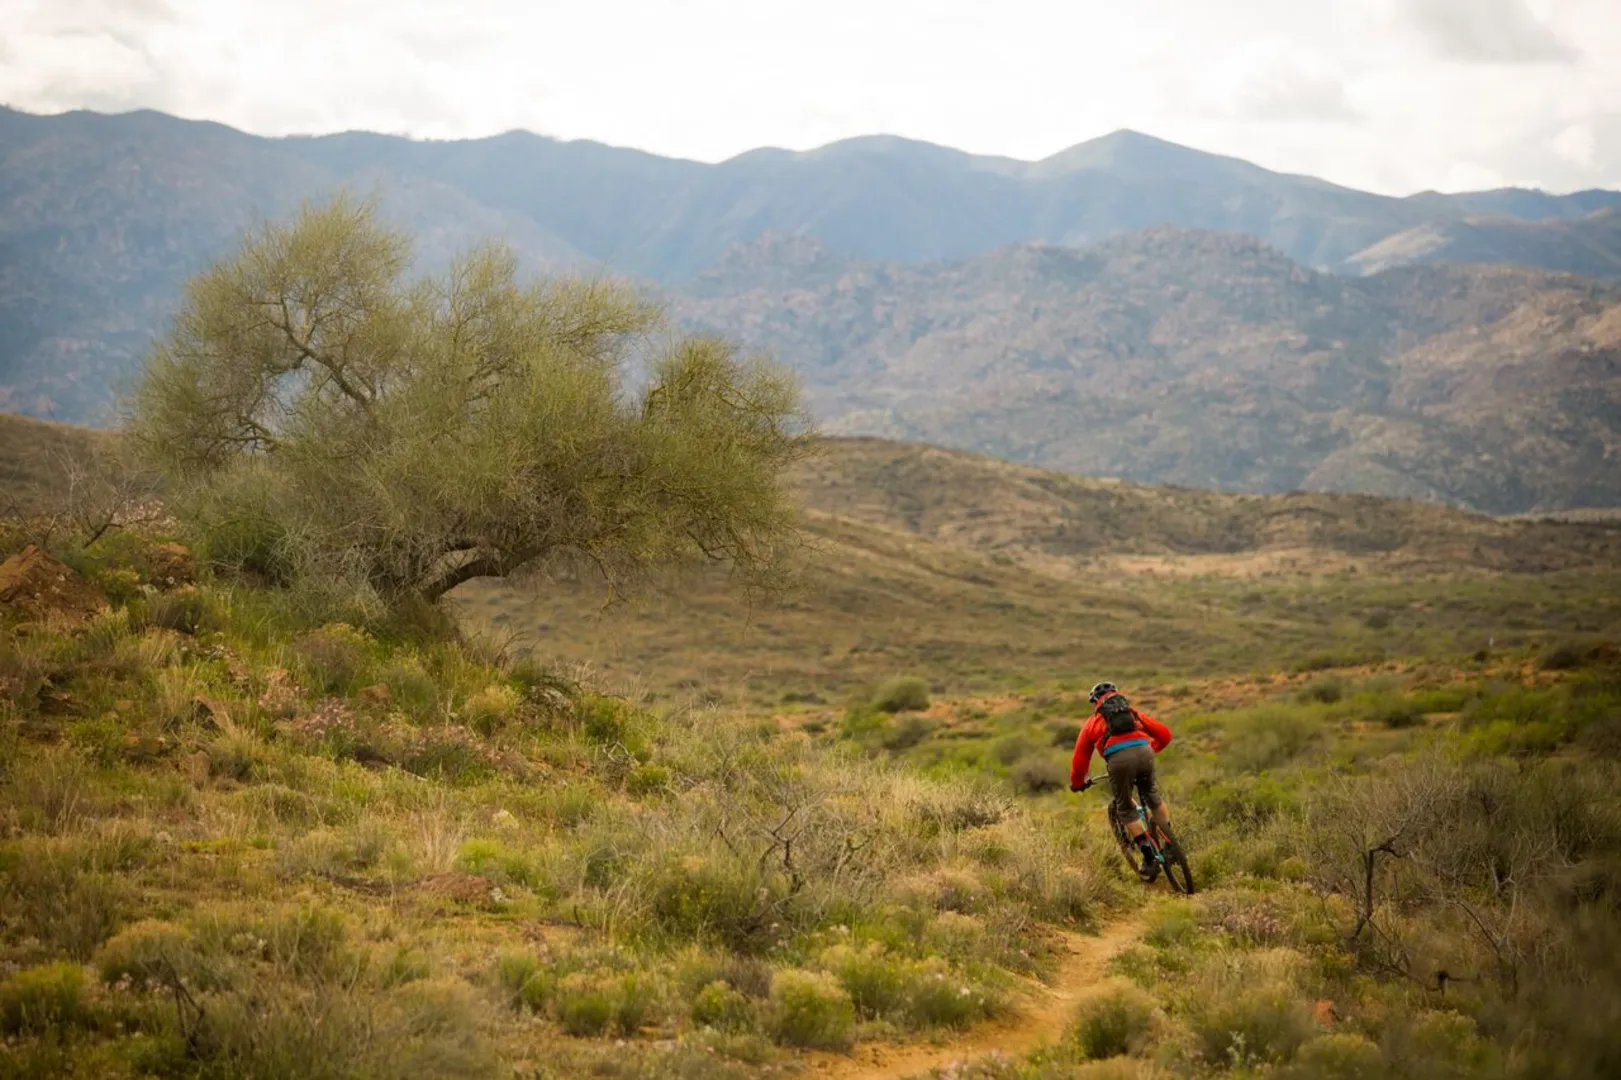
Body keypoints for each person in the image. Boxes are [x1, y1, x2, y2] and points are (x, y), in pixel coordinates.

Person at [1069, 682, 1174, 881]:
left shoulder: (1092, 723)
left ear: (1095, 702)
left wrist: (1077, 783)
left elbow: (1080, 760)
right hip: (1145, 751)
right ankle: (1171, 846)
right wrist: (1151, 749)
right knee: (1152, 795)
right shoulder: (1134, 714)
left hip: (1120, 761)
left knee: (1124, 807)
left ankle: (1149, 859)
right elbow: (1165, 735)